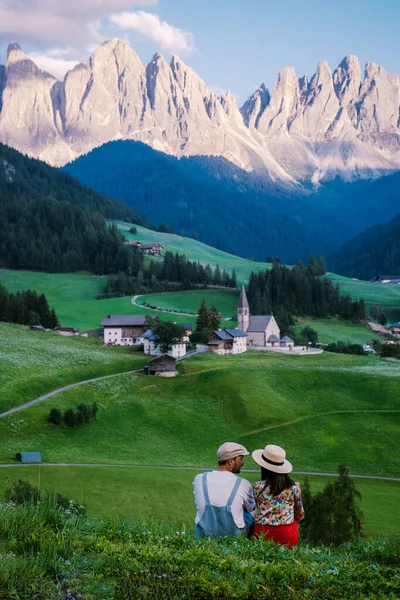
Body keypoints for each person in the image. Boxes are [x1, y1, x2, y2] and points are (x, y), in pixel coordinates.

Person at [193, 442, 255, 538]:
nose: (243, 462)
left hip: (203, 535)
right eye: (241, 459)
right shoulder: (243, 483)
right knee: (251, 512)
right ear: (230, 461)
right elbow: (250, 508)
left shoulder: (200, 478)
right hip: (234, 538)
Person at [251, 444, 304, 547]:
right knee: (293, 522)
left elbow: (255, 510)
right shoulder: (294, 487)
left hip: (262, 535)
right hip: (287, 536)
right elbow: (300, 514)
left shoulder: (257, 486)